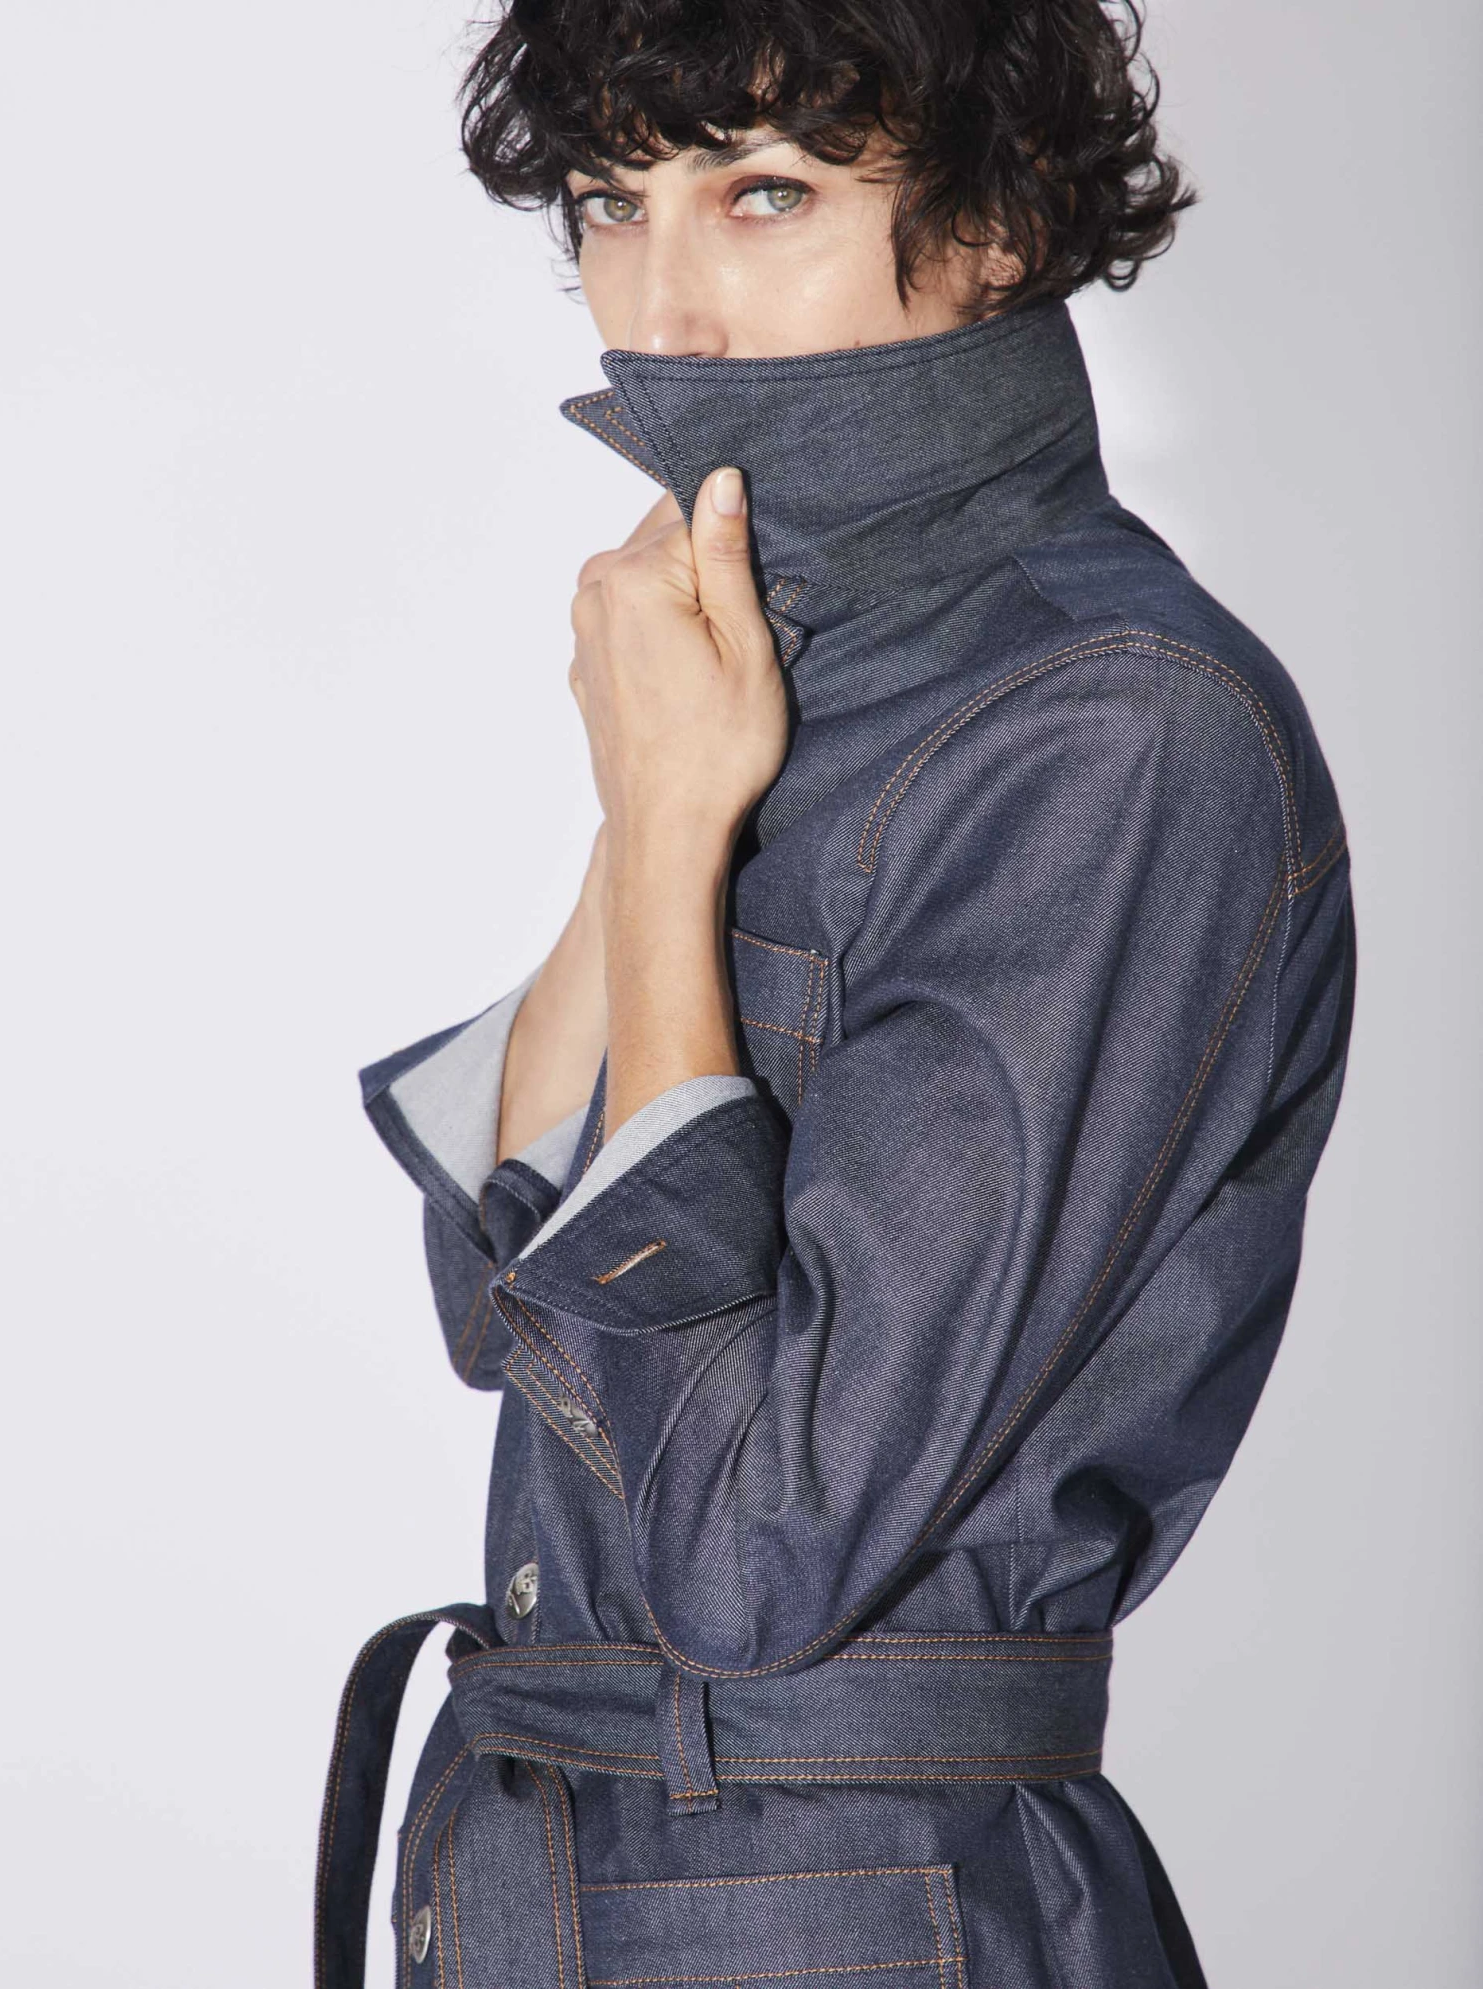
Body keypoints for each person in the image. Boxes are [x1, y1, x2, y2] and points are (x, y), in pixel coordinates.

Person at [314, 3, 1356, 1984]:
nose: (665, 311)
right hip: (557, 1887)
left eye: (767, 193)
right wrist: (655, 811)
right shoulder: (764, 672)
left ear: (1001, 218)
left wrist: (672, 827)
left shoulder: (1119, 732)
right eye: (611, 201)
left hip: (850, 1913)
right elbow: (508, 1309)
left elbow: (749, 1546)